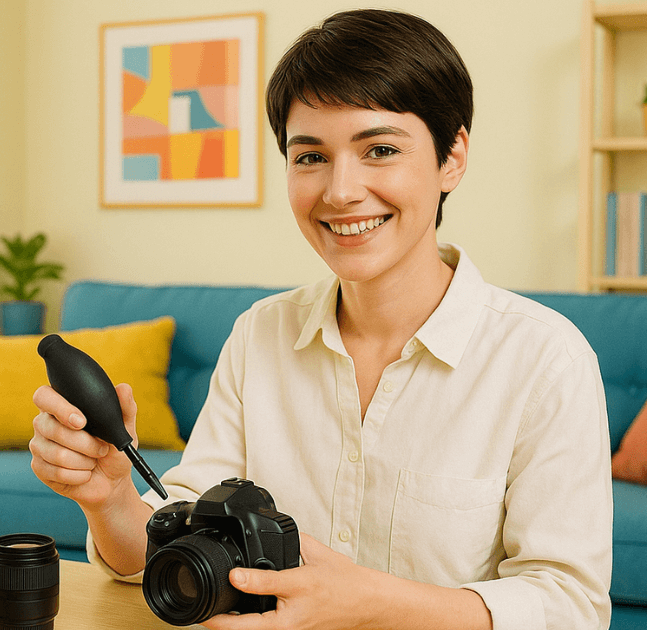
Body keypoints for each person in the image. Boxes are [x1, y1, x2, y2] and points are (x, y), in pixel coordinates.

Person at [30, 8, 612, 630]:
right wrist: (112, 497)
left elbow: (571, 606)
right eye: (310, 157)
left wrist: (371, 604)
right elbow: (181, 546)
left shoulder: (545, 358)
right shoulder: (260, 335)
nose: (340, 191)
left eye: (380, 149)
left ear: (452, 157)